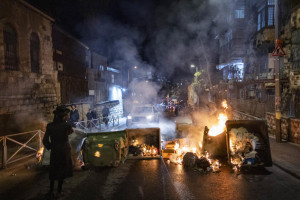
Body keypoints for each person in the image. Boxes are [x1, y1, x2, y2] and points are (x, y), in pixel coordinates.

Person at [43, 105, 73, 197]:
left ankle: (51, 191)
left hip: (55, 151)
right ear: (64, 116)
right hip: (64, 151)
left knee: (53, 170)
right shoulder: (67, 125)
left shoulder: (50, 126)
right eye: (66, 115)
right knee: (62, 171)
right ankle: (59, 191)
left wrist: (51, 146)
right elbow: (70, 132)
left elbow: (45, 140)